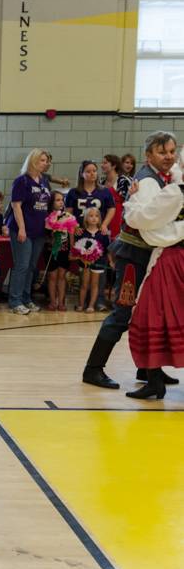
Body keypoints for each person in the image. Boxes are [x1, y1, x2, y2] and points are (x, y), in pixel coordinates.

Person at [82, 131, 181, 390]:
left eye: (172, 151)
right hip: (133, 256)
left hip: (150, 255)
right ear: (148, 155)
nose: (168, 157)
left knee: (150, 312)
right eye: (162, 152)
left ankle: (149, 369)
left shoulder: (165, 177)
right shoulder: (147, 181)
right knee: (123, 312)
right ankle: (93, 369)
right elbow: (150, 221)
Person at [123, 171, 183, 399]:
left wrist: (133, 199)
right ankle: (154, 379)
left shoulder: (176, 192)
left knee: (149, 314)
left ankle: (155, 381)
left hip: (174, 260)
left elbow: (141, 219)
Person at [6, 148, 52, 314]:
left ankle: (26, 298)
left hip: (39, 230)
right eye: (42, 160)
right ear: (33, 161)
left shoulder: (44, 181)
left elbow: (46, 205)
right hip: (22, 229)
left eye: (46, 161)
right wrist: (22, 229)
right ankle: (15, 301)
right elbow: (16, 205)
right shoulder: (22, 181)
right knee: (22, 265)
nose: (45, 163)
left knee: (32, 266)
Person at [73, 207, 110, 313]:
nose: (94, 218)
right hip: (85, 263)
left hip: (98, 263)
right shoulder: (81, 233)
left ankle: (91, 305)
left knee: (95, 284)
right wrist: (82, 257)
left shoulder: (103, 234)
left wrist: (110, 260)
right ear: (86, 218)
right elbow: (77, 249)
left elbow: (106, 250)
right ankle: (81, 304)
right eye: (91, 216)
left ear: (100, 219)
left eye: (96, 216)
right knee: (84, 284)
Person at [43, 192, 75, 311]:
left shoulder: (68, 216)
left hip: (64, 250)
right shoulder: (47, 217)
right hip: (51, 250)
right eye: (57, 200)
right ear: (51, 202)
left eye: (62, 200)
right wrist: (52, 235)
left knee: (62, 276)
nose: (61, 202)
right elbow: (46, 234)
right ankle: (52, 301)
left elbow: (71, 233)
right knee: (52, 276)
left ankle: (61, 302)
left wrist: (72, 249)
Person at [101, 154, 132, 238]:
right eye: (102, 163)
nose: (102, 165)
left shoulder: (124, 181)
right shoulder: (101, 182)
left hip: (120, 220)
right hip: (104, 220)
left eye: (105, 163)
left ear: (114, 165)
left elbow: (131, 202)